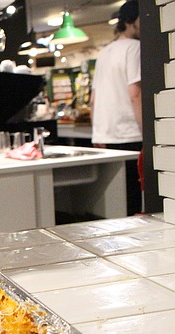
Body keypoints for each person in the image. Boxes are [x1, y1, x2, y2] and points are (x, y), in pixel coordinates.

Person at [90, 0, 142, 215]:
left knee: (113, 204)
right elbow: (135, 94)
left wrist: (97, 132)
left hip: (106, 136)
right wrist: (148, 133)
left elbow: (93, 99)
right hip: (129, 134)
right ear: (131, 21)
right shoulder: (134, 48)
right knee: (133, 201)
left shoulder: (104, 52)